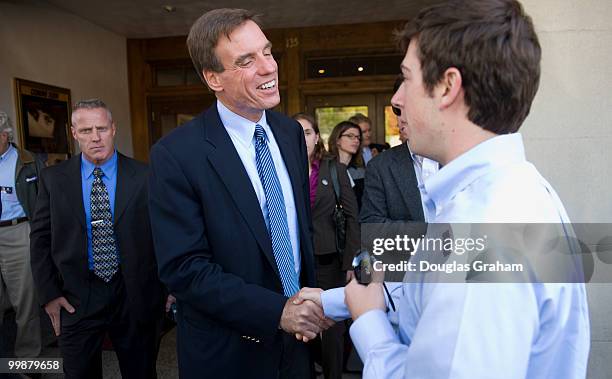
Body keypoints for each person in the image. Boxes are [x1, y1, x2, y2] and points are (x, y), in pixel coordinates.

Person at [296, 1, 590, 378]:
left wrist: (369, 324)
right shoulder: (509, 191)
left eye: (406, 78)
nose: (397, 99)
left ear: (448, 86)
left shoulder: (484, 226)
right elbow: (430, 297)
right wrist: (334, 300)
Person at [147, 9, 331, 379]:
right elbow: (184, 269)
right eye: (247, 61)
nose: (268, 68)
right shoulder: (176, 154)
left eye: (267, 52)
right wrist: (275, 311)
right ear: (213, 78)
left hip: (298, 344)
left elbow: (297, 234)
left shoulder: (289, 134)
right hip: (229, 353)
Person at [29, 99, 168, 378]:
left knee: (141, 372)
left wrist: (171, 284)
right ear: (73, 133)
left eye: (102, 128)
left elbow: (165, 233)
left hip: (134, 294)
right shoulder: (53, 179)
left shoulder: (145, 176)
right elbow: (40, 239)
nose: (95, 138)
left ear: (113, 129)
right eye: (86, 130)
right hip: (76, 296)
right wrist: (49, 295)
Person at [293, 113, 359, 379]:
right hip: (294, 261)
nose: (303, 138)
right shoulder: (281, 170)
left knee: (332, 326)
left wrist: (352, 263)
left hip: (328, 258)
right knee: (299, 322)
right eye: (297, 133)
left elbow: (354, 217)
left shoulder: (333, 169)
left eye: (307, 132)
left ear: (317, 137)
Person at [360, 77, 438, 224]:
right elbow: (372, 226)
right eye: (397, 110)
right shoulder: (380, 167)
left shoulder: (461, 157)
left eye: (408, 105)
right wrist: (429, 234)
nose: (400, 117)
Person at [0, 111, 44, 360]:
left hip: (19, 232)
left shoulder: (28, 161)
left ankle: (29, 362)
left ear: (4, 136)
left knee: (25, 303)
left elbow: (44, 199)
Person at [327, 121, 366, 209]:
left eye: (358, 137)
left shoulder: (361, 171)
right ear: (337, 140)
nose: (356, 140)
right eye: (350, 136)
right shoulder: (325, 167)